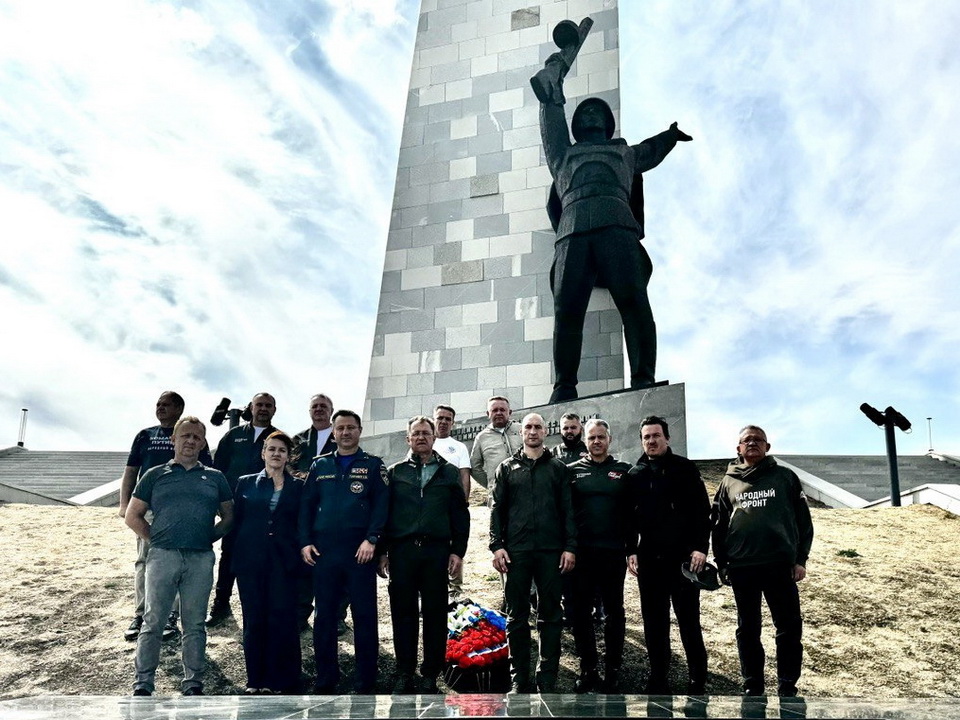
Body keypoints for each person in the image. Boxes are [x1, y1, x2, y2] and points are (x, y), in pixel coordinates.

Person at [535, 50, 692, 402]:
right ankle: (563, 386)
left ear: (607, 123)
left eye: (598, 111)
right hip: (572, 231)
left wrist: (669, 137)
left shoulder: (625, 152)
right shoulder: (562, 154)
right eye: (585, 111)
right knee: (567, 310)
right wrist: (552, 89)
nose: (591, 113)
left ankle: (643, 379)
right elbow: (551, 115)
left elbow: (651, 149)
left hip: (616, 224)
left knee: (634, 301)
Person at [125, 416, 233, 696]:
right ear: (173, 439)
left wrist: (207, 537)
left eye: (197, 437)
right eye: (185, 436)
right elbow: (132, 515)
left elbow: (229, 516)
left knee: (194, 623)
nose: (191, 441)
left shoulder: (215, 477)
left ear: (203, 442)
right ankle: (143, 683)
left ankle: (193, 683)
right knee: (153, 621)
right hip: (162, 557)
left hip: (200, 559)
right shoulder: (155, 475)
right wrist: (156, 540)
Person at [712, 425, 814, 697]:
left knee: (788, 627)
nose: (752, 443)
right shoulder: (728, 481)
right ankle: (752, 684)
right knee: (748, 629)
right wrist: (722, 562)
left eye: (758, 440)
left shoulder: (785, 477)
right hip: (742, 567)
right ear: (738, 448)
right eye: (747, 440)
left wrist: (800, 559)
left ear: (768, 447)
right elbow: (719, 525)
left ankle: (787, 685)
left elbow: (804, 521)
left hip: (779, 566)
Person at [379, 416, 470, 694]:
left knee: (434, 614)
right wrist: (383, 551)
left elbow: (460, 515)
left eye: (426, 433)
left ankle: (431, 673)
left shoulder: (449, 472)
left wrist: (457, 551)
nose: (421, 437)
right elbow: (385, 514)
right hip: (403, 552)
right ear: (408, 438)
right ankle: (404, 671)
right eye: (415, 433)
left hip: (436, 552)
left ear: (434, 438)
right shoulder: (395, 473)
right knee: (402, 613)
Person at [299, 410, 388, 694]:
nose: (346, 432)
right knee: (324, 616)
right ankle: (326, 678)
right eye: (340, 428)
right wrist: (304, 541)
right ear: (334, 432)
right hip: (324, 553)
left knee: (364, 616)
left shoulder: (373, 466)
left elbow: (382, 506)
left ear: (360, 430)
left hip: (359, 551)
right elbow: (306, 506)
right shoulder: (319, 465)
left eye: (351, 427)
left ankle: (366, 680)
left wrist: (372, 540)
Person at [490, 413, 576, 693]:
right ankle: (519, 678)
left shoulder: (558, 468)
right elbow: (496, 509)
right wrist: (497, 545)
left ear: (545, 432)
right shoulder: (506, 468)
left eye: (538, 426)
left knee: (550, 615)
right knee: (516, 616)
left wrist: (569, 547)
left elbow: (568, 511)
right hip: (516, 552)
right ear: (521, 432)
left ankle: (547, 678)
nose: (533, 431)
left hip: (551, 552)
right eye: (528, 426)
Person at [118, 391, 212, 642]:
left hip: (181, 510)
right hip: (147, 508)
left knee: (176, 563)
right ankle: (141, 614)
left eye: (166, 405)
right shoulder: (144, 435)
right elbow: (131, 471)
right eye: (158, 404)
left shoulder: (193, 436)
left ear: (179, 409)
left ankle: (170, 616)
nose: (159, 408)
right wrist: (124, 504)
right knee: (144, 561)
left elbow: (207, 473)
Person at [627, 416, 711, 695]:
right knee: (654, 623)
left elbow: (702, 512)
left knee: (689, 621)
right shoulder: (635, 474)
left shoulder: (685, 469)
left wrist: (700, 547)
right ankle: (658, 677)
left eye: (656, 435)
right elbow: (628, 520)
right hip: (650, 561)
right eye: (646, 437)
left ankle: (698, 677)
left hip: (684, 561)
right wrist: (630, 550)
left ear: (667, 438)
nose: (651, 441)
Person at [232, 431, 303, 694]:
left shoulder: (298, 487)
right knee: (254, 620)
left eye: (281, 450)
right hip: (250, 563)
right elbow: (236, 525)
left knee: (281, 619)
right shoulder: (245, 483)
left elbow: (301, 525)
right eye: (271, 449)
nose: (276, 454)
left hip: (284, 563)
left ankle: (279, 680)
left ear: (288, 456)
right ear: (263, 453)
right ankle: (255, 681)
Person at [567, 419, 631, 694]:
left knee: (614, 612)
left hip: (614, 553)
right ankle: (588, 667)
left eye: (601, 437)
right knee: (580, 613)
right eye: (592, 437)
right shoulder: (571, 472)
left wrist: (632, 548)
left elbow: (633, 514)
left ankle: (613, 670)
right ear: (585, 440)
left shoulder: (624, 471)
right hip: (581, 554)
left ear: (609, 439)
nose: (596, 442)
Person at [207, 392, 278, 626]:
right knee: (229, 556)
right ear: (251, 407)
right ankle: (221, 605)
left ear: (274, 410)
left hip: (265, 513)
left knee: (265, 557)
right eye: (260, 405)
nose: (264, 409)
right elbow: (218, 470)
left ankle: (264, 606)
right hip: (234, 509)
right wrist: (220, 503)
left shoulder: (278, 439)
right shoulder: (233, 436)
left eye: (268, 405)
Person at [289, 393, 344, 634]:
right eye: (315, 406)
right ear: (309, 411)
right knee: (304, 564)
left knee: (335, 566)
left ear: (331, 411)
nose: (319, 409)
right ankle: (301, 615)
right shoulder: (298, 440)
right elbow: (289, 467)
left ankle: (337, 616)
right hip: (302, 510)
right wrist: (308, 480)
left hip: (332, 512)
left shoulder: (341, 437)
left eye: (324, 406)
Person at [432, 404, 472, 601]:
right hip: (430, 508)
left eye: (448, 419)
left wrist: (462, 504)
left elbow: (465, 475)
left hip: (452, 506)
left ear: (453, 423)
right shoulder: (425, 442)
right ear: (434, 419)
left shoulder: (459, 447)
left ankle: (454, 591)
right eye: (440, 418)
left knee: (455, 546)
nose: (443, 422)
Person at [469, 396, 521, 504]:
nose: (498, 413)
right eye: (494, 410)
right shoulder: (481, 437)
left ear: (510, 412)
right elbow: (474, 467)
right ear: (488, 413)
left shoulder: (522, 429)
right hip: (498, 497)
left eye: (502, 410)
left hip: (525, 491)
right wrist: (492, 484)